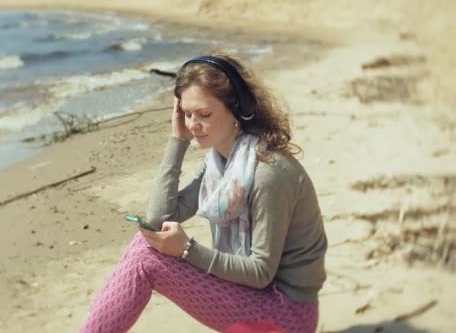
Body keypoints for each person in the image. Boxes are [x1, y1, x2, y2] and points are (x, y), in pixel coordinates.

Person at [80, 54, 327, 333]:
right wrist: (177, 141)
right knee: (144, 245)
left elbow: (260, 273)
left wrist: (187, 249)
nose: (193, 125)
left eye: (204, 115)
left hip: (286, 313)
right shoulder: (220, 162)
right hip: (253, 299)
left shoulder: (267, 173)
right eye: (187, 114)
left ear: (237, 109)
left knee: (146, 260)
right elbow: (159, 218)